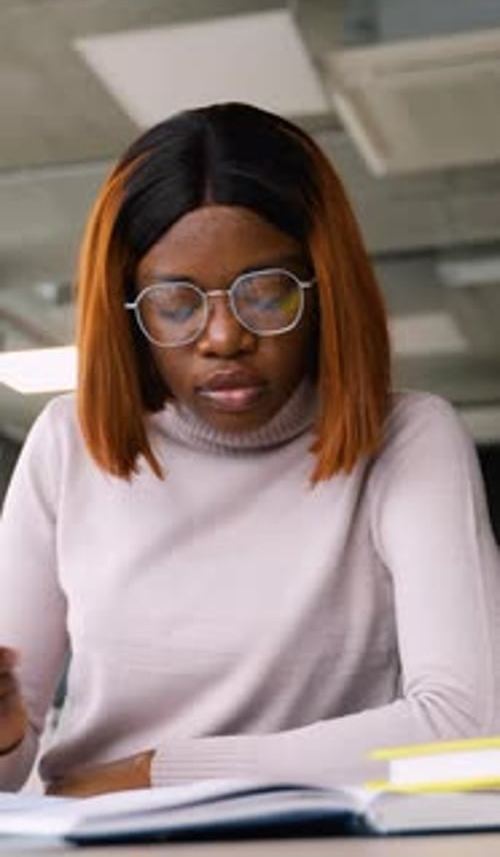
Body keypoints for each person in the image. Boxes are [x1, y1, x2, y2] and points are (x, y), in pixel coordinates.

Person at [0, 102, 499, 798]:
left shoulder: (410, 441)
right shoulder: (64, 444)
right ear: (128, 309)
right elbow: (7, 766)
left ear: (327, 289)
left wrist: (156, 774)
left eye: (267, 295)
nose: (223, 337)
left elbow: (470, 730)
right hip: (98, 844)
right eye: (175, 303)